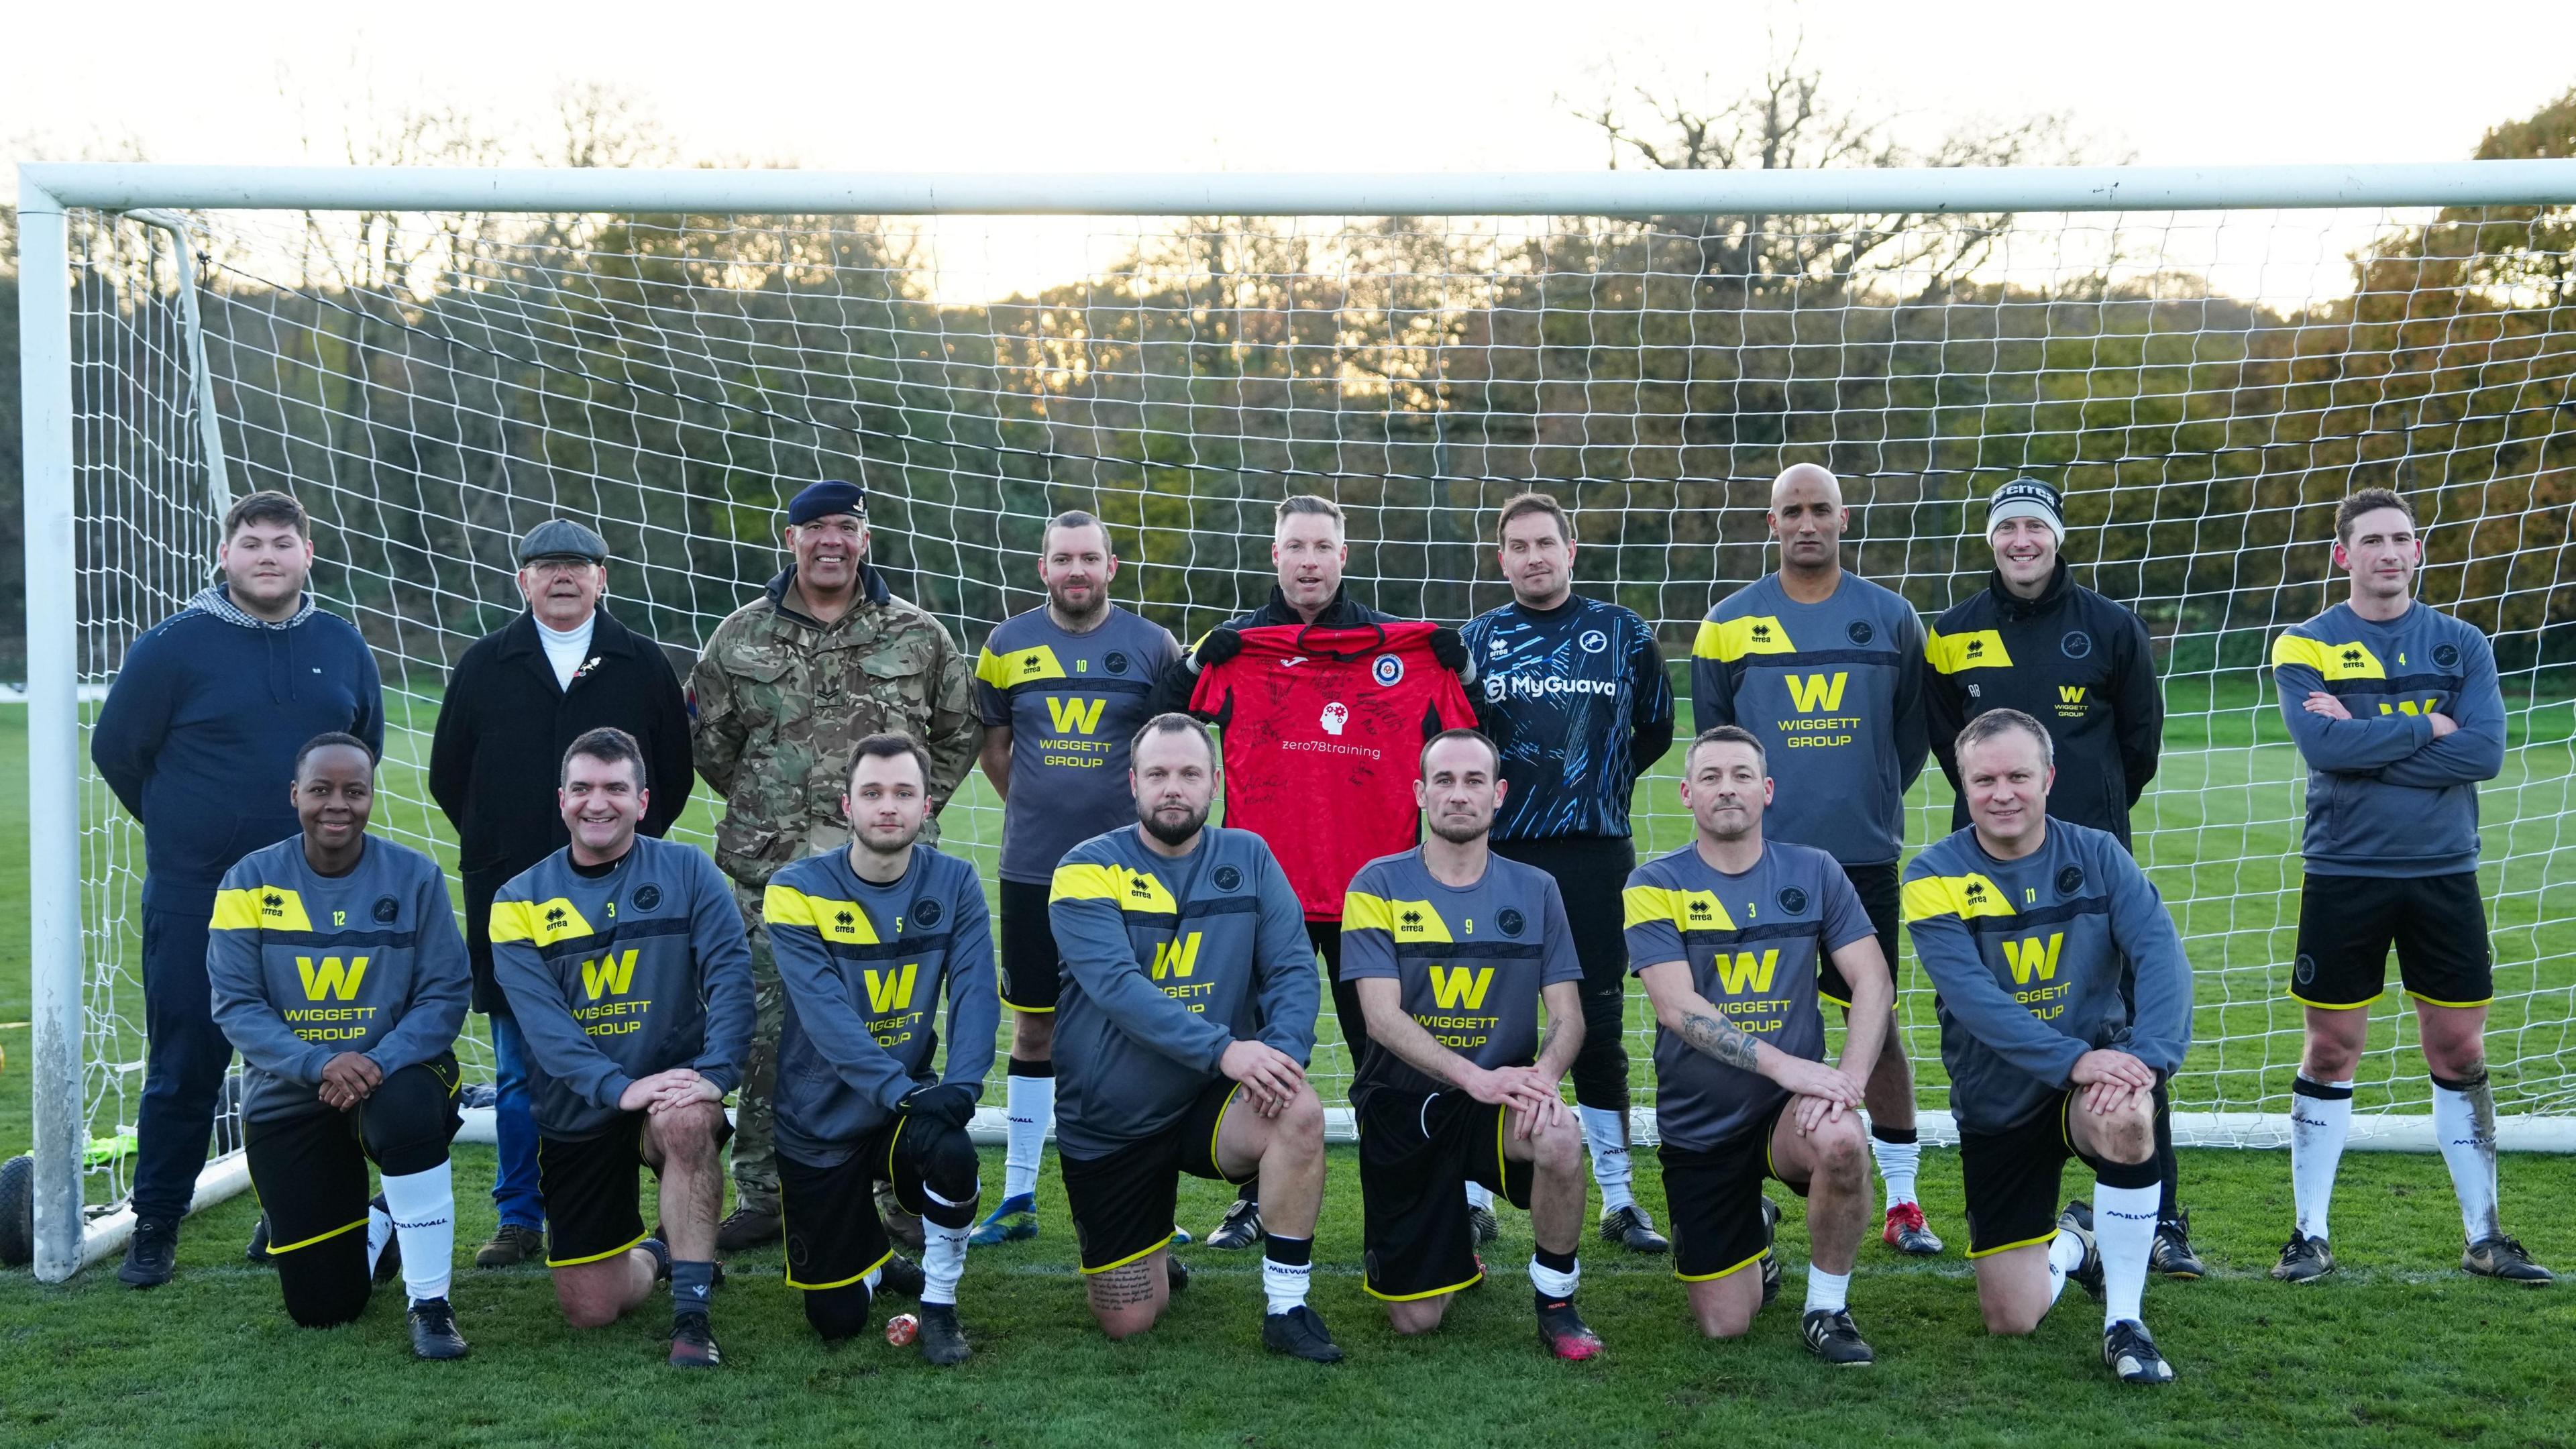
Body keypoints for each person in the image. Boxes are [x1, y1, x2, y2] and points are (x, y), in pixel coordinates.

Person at [1158, 492, 1474, 1250]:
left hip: (1377, 897)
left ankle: (1410, 1204)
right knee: (1260, 1055)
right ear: (1275, 556)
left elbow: (1474, 747)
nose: (1308, 561)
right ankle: (1252, 1201)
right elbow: (1162, 716)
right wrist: (1204, 657)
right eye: (1295, 547)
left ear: (1343, 555)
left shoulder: (1407, 655)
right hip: (1268, 898)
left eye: (1321, 548)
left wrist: (1467, 670)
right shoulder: (1242, 651)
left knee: (1393, 1059)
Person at [91, 488, 384, 1287]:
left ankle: (292, 1215)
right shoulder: (172, 647)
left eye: (282, 543)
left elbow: (362, 752)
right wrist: (189, 835)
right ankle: (155, 1224)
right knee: (187, 1060)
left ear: (307, 555)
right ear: (225, 555)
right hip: (199, 896)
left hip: (317, 898)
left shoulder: (341, 643)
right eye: (251, 542)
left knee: (314, 1057)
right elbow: (118, 751)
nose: (266, 555)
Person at [690, 478, 981, 1253]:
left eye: (844, 527)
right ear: (790, 540)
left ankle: (898, 1186)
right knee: (767, 1029)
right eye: (813, 527)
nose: (829, 540)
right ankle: (765, 1191)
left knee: (892, 1026)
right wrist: (772, 811)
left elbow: (960, 732)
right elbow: (712, 744)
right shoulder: (738, 637)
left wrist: (913, 812)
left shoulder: (918, 636)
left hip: (891, 879)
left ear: (864, 540)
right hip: (772, 875)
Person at [2269, 488, 2551, 1287]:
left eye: (2403, 539)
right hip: (2344, 871)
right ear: (2343, 555)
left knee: (2459, 1048)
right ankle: (2308, 1235)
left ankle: (2486, 1236)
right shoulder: (2307, 642)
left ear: (2418, 551)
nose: (2390, 553)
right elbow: (2320, 746)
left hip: (2443, 871)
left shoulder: (2461, 643)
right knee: (2332, 1048)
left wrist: (2365, 741)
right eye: (2373, 541)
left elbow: (2486, 754)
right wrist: (2429, 725)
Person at [1924, 480, 2199, 1278]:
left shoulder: (2112, 628)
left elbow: (2139, 747)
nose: (2021, 540)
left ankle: (2161, 1217)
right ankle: (2007, 1200)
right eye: (2006, 527)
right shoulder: (1951, 635)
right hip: (1987, 874)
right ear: (1992, 539)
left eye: (2034, 527)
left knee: (2126, 1024)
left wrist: (2089, 816)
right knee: (1988, 1021)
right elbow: (1953, 747)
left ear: (2056, 537)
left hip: (2091, 870)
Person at [428, 519, 694, 1270]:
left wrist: (613, 852)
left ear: (603, 577)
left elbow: (670, 774)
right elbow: (451, 777)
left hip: (626, 904)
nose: (563, 577)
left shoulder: (641, 664)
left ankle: (661, 1214)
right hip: (512, 900)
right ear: (523, 581)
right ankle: (520, 1216)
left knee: (634, 1052)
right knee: (519, 1069)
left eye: (578, 564)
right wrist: (511, 851)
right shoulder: (485, 664)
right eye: (546, 566)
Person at [1690, 462, 1939, 1256]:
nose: (1806, 522)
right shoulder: (1727, 622)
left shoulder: (1893, 617)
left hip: (1862, 860)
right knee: (1747, 1021)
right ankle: (1743, 1189)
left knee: (1880, 1020)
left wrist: (1862, 797)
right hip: (1755, 865)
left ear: (1843, 519)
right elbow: (1717, 745)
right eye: (1792, 510)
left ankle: (1902, 1197)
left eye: (1820, 509)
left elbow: (1911, 736)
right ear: (1772, 523)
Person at [1902, 709, 2192, 1384]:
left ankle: (2126, 1322)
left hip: (2093, 1087)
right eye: (1984, 779)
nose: (2002, 793)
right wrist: (2073, 1058)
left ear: (2049, 778)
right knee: (2012, 1318)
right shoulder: (1932, 874)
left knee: (2126, 1116)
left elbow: (2161, 955)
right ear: (1964, 785)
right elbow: (1976, 1002)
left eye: (2018, 776)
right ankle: (2075, 1246)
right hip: (1999, 1098)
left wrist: (2148, 1060)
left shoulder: (2097, 854)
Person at [1046, 714, 1342, 1361]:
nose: (1172, 788)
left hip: (1211, 1103)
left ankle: (1287, 1308)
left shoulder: (1250, 856)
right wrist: (1226, 1049)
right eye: (1157, 774)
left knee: (1298, 1109)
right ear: (1133, 783)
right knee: (1131, 1321)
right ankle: (1146, 1246)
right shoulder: (1084, 868)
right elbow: (1121, 989)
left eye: (1188, 774)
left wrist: (1283, 1056)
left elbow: (1291, 966)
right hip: (1112, 1118)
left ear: (1215, 781)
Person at [1623, 726, 1894, 1365]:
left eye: (1742, 775)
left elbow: (1873, 980)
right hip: (1700, 1122)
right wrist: (1791, 1066)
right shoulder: (1653, 882)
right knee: (1726, 1325)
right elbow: (1677, 1008)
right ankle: (1757, 1228)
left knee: (1843, 1138)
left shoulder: (1815, 870)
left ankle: (1827, 1308)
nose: (1727, 789)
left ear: (1767, 791)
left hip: (1788, 1116)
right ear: (1686, 795)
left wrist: (1845, 1084)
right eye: (1711, 778)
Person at [492, 728, 757, 1367]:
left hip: (669, 1093)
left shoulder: (689, 870)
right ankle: (661, 1253)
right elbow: (545, 1028)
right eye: (582, 789)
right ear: (562, 800)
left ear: (642, 801)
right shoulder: (517, 900)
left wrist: (716, 1073)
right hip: (580, 1107)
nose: (597, 803)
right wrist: (618, 1087)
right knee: (591, 1310)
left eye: (615, 788)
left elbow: (730, 976)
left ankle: (692, 1319)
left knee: (690, 1119)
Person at [207, 733, 471, 1359]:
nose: (338, 804)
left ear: (371, 796)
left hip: (396, 1078)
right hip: (293, 1096)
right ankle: (382, 1221)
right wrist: (320, 1061)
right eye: (321, 789)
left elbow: (445, 995)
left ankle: (430, 1305)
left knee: (406, 1110)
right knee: (324, 1309)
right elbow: (236, 1005)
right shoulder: (248, 881)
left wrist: (374, 1061)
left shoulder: (414, 876)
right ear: (296, 794)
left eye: (354, 791)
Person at [1463, 490, 1677, 1256]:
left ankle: (1619, 1196)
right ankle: (1473, 1191)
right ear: (1502, 559)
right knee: (1490, 1020)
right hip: (1503, 857)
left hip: (1595, 856)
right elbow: (1458, 747)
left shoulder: (1623, 634)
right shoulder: (1474, 642)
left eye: (1544, 544)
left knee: (1598, 1025)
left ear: (1570, 549)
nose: (1533, 557)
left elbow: (1656, 727)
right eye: (1517, 547)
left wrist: (1599, 787)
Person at [1345, 729, 1601, 1359]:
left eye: (1474, 781)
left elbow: (1569, 1018)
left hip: (1499, 1103)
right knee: (1416, 1321)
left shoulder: (1537, 888)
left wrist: (1541, 1076)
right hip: (1403, 1104)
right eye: (1444, 781)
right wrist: (1473, 1077)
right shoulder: (1376, 884)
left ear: (1499, 795)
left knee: (1561, 1133)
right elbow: (1380, 1018)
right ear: (1420, 793)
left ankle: (1557, 1302)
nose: (1459, 795)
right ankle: (1449, 1243)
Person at [967, 511, 1181, 1248]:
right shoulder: (1006, 645)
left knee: (1144, 1024)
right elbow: (996, 750)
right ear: (1044, 568)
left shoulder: (1154, 646)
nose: (1077, 571)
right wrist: (1043, 809)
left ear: (1112, 567)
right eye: (1064, 559)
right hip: (1034, 868)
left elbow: (1169, 754)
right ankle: (1020, 1192)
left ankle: (1153, 1202)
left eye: (1090, 558)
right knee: (1035, 1024)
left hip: (1133, 872)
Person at [767, 735, 998, 1365]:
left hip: (901, 1113)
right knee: (836, 1322)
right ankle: (870, 1257)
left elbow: (976, 991)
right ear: (847, 805)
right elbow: (826, 1016)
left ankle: (941, 1304)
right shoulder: (795, 888)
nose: (887, 807)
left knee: (951, 1151)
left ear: (928, 807)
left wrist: (963, 1087)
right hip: (820, 1122)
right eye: (872, 793)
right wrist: (908, 1091)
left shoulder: (955, 881)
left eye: (903, 793)